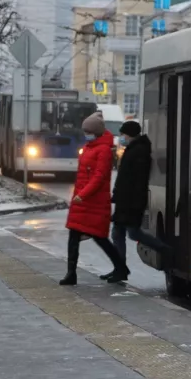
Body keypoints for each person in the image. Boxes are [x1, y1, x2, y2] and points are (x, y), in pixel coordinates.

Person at [61, 111, 129, 286]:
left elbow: (99, 177)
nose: (86, 134)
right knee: (74, 235)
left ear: (96, 132)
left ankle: (121, 267)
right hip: (83, 202)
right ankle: (71, 273)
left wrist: (82, 195)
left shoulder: (104, 150)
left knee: (100, 237)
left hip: (94, 201)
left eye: (88, 131)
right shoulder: (90, 148)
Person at [105, 120, 171, 282]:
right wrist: (116, 194)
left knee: (133, 233)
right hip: (125, 200)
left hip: (131, 202)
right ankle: (119, 268)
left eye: (123, 134)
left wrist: (132, 201)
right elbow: (124, 177)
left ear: (130, 134)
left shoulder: (139, 151)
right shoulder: (133, 149)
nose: (121, 137)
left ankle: (164, 249)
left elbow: (137, 181)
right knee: (118, 232)